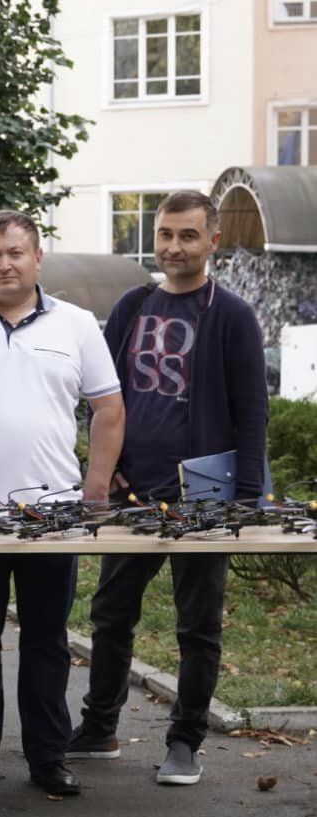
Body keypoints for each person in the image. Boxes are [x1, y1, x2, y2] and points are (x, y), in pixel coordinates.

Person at [69, 190, 268, 786]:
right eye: (165, 235)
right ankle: (100, 726)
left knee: (197, 624)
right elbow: (99, 397)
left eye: (187, 235)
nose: (174, 247)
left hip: (205, 496)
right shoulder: (132, 307)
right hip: (135, 492)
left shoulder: (231, 316)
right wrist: (109, 463)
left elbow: (252, 412)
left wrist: (247, 500)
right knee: (110, 612)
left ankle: (185, 741)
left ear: (212, 241)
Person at [0, 210, 124, 796]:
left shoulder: (78, 325)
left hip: (54, 517)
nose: (4, 264)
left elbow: (108, 410)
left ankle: (47, 758)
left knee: (46, 643)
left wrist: (96, 489)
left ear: (38, 258)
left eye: (15, 252)